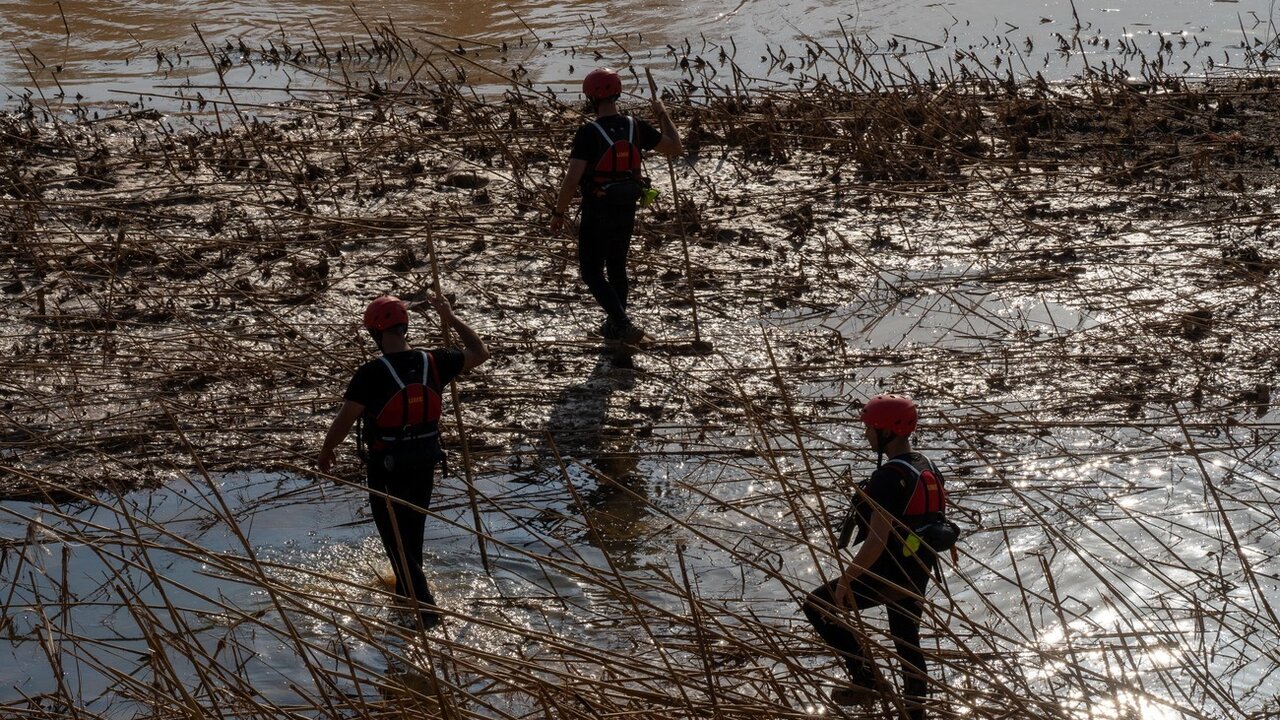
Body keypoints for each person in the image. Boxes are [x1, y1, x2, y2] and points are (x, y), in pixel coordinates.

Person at [318, 293, 489, 629]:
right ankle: (403, 597)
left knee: (396, 542)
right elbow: (480, 353)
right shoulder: (435, 361)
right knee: (412, 536)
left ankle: (427, 614)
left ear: (376, 334)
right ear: (404, 327)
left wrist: (326, 451)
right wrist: (451, 318)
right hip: (426, 460)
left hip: (387, 466)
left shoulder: (370, 373)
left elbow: (345, 419)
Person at [801, 393, 956, 718]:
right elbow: (937, 516)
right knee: (906, 641)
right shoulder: (926, 464)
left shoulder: (886, 477)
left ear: (886, 432)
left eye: (870, 429)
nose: (866, 435)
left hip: (889, 570)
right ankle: (915, 713)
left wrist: (846, 580)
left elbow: (875, 542)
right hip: (919, 568)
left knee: (817, 606)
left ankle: (867, 680)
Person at [549, 67, 683, 345]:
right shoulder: (635, 126)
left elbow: (572, 180)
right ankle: (615, 326)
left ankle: (622, 324)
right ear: (618, 92)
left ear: (590, 98)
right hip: (626, 206)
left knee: (590, 272)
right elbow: (675, 147)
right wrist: (661, 113)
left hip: (598, 210)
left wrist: (558, 212)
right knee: (617, 266)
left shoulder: (588, 133)